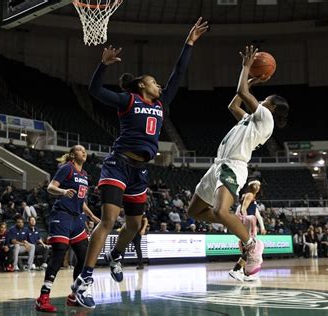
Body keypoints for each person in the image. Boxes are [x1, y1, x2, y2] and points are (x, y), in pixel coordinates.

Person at [72, 18, 208, 309]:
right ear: (143, 86)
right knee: (109, 220)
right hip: (118, 164)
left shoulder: (161, 105)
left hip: (140, 172)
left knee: (133, 225)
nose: (159, 85)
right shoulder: (128, 101)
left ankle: (116, 255)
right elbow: (95, 91)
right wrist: (104, 64)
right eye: (154, 82)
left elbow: (177, 74)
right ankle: (84, 279)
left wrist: (190, 43)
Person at [187, 45, 289, 282]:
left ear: (271, 107)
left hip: (233, 166)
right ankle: (236, 225)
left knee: (221, 211)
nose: (261, 101)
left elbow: (241, 91)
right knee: (194, 211)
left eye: (265, 100)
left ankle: (253, 245)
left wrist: (246, 70)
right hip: (217, 166)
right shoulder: (250, 119)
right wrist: (250, 84)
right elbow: (233, 105)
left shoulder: (266, 117)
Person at [36, 145, 98, 312]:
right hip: (62, 216)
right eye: (79, 150)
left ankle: (74, 295)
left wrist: (91, 215)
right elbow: (50, 187)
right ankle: (43, 298)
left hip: (77, 219)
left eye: (85, 150)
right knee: (59, 254)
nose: (83, 152)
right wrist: (63, 191)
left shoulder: (84, 175)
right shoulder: (67, 168)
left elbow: (81, 200)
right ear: (72, 154)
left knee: (84, 257)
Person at [234, 180, 267, 281]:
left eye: (259, 185)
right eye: (256, 184)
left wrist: (262, 227)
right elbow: (243, 209)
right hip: (247, 225)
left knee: (248, 249)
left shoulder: (252, 199)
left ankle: (244, 273)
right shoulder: (248, 196)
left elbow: (258, 215)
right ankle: (237, 270)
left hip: (250, 225)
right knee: (251, 248)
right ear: (251, 186)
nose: (258, 186)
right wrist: (244, 223)